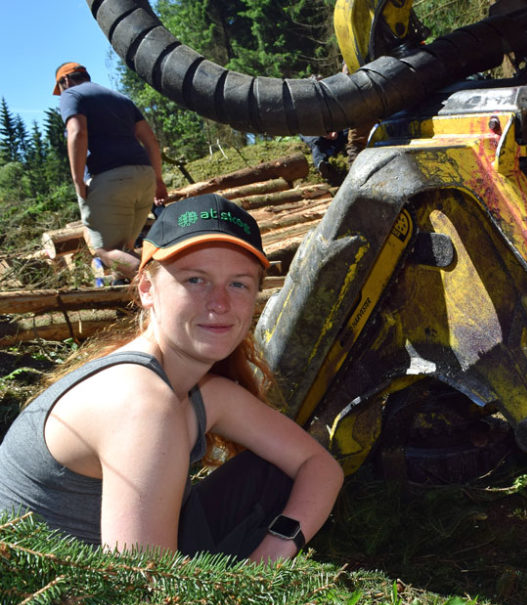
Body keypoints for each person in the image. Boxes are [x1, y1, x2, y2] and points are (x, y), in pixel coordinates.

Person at [0, 194, 344, 562]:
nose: (220, 303)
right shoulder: (139, 403)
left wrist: (272, 552)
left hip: (121, 580)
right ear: (147, 289)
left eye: (239, 284)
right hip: (54, 593)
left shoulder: (202, 391)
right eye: (196, 279)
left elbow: (319, 464)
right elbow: (147, 584)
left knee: (269, 472)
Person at [54, 62, 169, 281]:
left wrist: (78, 180)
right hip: (144, 177)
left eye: (60, 88)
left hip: (109, 179)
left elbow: (78, 133)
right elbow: (151, 140)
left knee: (106, 251)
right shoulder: (120, 98)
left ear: (65, 81)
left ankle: (165, 286)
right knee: (124, 250)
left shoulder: (71, 95)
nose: (61, 93)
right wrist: (158, 180)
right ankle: (125, 295)